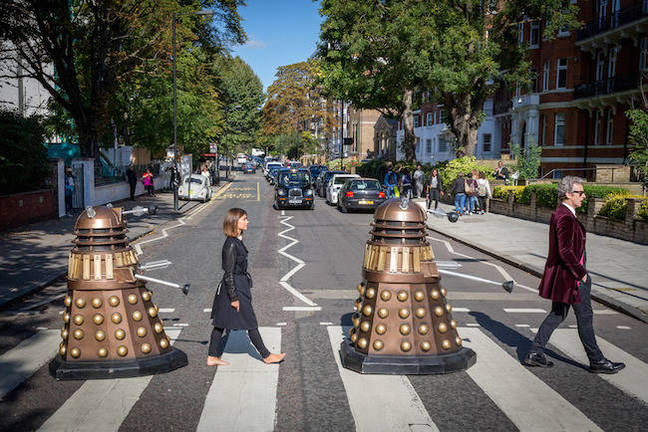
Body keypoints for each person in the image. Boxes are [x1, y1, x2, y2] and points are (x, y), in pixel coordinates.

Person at [524, 176, 625, 374]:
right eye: (580, 193)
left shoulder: (563, 213)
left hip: (564, 276)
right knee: (585, 317)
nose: (584, 196)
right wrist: (581, 274)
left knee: (557, 314)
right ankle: (597, 361)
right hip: (572, 278)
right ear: (568, 194)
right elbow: (565, 250)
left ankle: (535, 352)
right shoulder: (565, 217)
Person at [207, 208, 286, 366]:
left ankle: (212, 356)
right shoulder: (230, 245)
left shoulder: (236, 241)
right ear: (235, 222)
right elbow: (228, 273)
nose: (247, 221)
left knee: (220, 323)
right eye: (244, 219)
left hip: (238, 284)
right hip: (235, 287)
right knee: (250, 321)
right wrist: (234, 297)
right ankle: (266, 355)